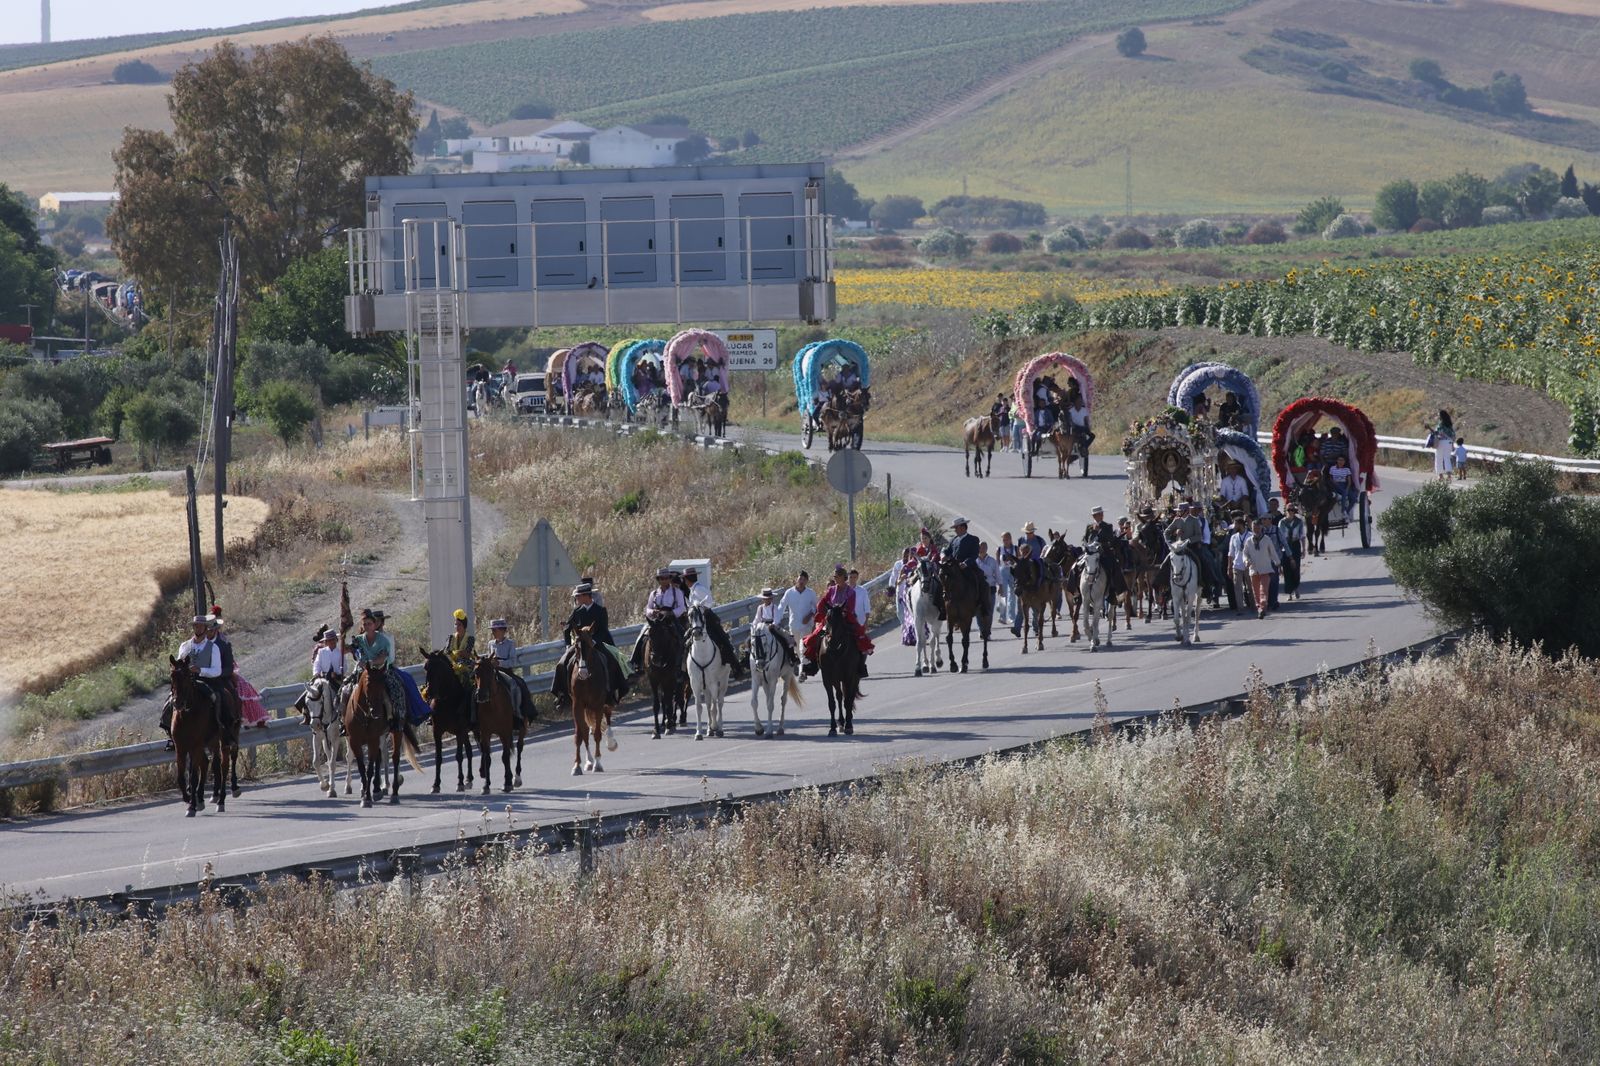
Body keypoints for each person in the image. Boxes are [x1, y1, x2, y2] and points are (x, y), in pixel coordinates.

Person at [553, 583, 628, 707]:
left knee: (612, 661)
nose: (576, 598)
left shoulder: (600, 611)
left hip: (596, 644)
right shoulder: (577, 611)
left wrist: (593, 641)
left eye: (578, 596)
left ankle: (611, 692)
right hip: (579, 646)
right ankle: (563, 695)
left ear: (586, 596)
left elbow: (603, 630)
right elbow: (567, 629)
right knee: (561, 664)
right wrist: (568, 645)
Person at [161, 614, 226, 745]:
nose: (198, 628)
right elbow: (178, 664)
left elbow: (217, 670)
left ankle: (221, 727)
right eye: (196, 626)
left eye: (201, 626)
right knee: (170, 701)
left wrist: (200, 670)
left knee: (217, 698)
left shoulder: (213, 648)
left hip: (206, 680)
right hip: (186, 681)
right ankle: (171, 733)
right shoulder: (184, 646)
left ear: (205, 628)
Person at [802, 565, 874, 674]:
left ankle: (860, 665)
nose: (834, 578)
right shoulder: (831, 590)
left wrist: (841, 612)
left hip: (846, 617)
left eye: (836, 576)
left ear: (843, 577)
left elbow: (850, 607)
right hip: (831, 617)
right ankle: (813, 663)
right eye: (834, 576)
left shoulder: (851, 592)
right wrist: (822, 611)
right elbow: (822, 601)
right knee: (817, 635)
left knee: (858, 634)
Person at [346, 608, 405, 725]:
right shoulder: (358, 640)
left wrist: (369, 663)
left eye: (369, 624)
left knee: (395, 690)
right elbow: (347, 650)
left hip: (380, 671)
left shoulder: (384, 640)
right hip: (362, 671)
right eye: (365, 624)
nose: (367, 626)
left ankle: (396, 719)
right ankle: (344, 720)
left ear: (375, 624)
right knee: (345, 690)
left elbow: (382, 658)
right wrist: (343, 635)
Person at [210, 609, 266, 727]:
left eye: (214, 627)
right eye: (209, 627)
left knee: (242, 686)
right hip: (204, 673)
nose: (211, 630)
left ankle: (240, 717)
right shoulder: (200, 640)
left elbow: (228, 663)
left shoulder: (223, 641)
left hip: (221, 671)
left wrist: (219, 672)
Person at [630, 568, 688, 672]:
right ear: (659, 580)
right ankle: (636, 663)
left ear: (669, 579)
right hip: (656, 621)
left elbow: (682, 608)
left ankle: (683, 665)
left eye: (666, 578)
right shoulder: (654, 593)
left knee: (682, 637)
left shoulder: (677, 592)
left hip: (672, 620)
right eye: (662, 578)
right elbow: (648, 608)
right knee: (642, 637)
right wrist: (652, 612)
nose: (664, 580)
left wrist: (671, 613)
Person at [685, 565, 741, 674]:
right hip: (697, 619)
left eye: (685, 579)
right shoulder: (693, 590)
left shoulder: (699, 589)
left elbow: (710, 602)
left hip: (707, 617)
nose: (685, 582)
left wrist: (701, 609)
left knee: (721, 639)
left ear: (688, 579)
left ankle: (734, 665)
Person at [1242, 518, 1282, 620]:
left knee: (1263, 590)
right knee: (1256, 591)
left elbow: (1273, 553)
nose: (1256, 530)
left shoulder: (1267, 539)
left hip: (1265, 569)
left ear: (1261, 528)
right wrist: (1246, 561)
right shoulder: (1248, 541)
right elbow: (1245, 554)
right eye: (1254, 528)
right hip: (1254, 570)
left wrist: (1278, 564)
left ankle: (1263, 607)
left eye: (1257, 528)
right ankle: (1259, 607)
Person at [752, 587, 800, 669]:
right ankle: (750, 659)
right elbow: (757, 619)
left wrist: (773, 624)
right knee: (751, 640)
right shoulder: (760, 608)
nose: (767, 600)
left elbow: (777, 619)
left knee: (787, 637)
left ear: (771, 599)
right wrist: (754, 626)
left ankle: (792, 658)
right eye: (765, 599)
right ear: (762, 599)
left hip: (772, 627)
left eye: (769, 598)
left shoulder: (774, 607)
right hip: (762, 627)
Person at [777, 570, 818, 641]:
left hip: (807, 626)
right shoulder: (789, 592)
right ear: (797, 579)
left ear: (807, 581)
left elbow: (816, 607)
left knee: (805, 647)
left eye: (804, 580)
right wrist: (776, 621)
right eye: (800, 579)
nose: (802, 581)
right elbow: (781, 607)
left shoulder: (811, 593)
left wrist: (810, 615)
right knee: (795, 646)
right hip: (794, 626)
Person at [1278, 503, 1307, 600]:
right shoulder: (1282, 522)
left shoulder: (1299, 522)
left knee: (1296, 568)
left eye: (1292, 510)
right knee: (1287, 569)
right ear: (1285, 511)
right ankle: (1289, 593)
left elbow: (1302, 536)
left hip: (1295, 545)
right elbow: (1280, 537)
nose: (1291, 512)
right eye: (1289, 510)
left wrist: (1304, 549)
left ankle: (1296, 588)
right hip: (1285, 546)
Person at [892, 548, 918, 646]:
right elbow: (897, 581)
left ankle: (914, 636)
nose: (907, 557)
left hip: (912, 595)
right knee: (901, 616)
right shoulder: (902, 567)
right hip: (901, 594)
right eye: (906, 555)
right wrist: (901, 579)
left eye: (909, 555)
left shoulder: (915, 565)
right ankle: (906, 636)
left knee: (912, 617)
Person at [1226, 516, 1252, 615]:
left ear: (1241, 525)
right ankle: (1240, 608)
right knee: (1237, 588)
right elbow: (1231, 553)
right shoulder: (1233, 537)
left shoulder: (1250, 535)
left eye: (1235, 524)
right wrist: (1229, 567)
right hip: (1237, 565)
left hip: (1248, 565)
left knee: (1250, 587)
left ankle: (1253, 605)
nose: (1234, 526)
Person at [975, 541, 1000, 639]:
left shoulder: (992, 561)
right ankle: (982, 630)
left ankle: (987, 632)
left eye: (984, 547)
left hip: (990, 588)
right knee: (978, 611)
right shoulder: (974, 561)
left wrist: (1000, 586)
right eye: (980, 547)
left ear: (986, 549)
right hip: (978, 589)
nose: (982, 549)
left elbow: (997, 574)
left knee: (989, 611)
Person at [447, 608, 475, 688]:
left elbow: (466, 654)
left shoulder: (470, 638)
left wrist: (454, 653)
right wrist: (458, 653)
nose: (457, 627)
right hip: (452, 663)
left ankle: (468, 692)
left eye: (459, 625)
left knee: (465, 675)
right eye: (455, 624)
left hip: (465, 664)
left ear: (464, 626)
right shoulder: (451, 637)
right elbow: (447, 651)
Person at [1428, 409, 1456, 481]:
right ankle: (1449, 476)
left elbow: (1437, 433)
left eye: (1438, 415)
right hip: (1449, 442)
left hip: (1441, 442)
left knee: (1439, 459)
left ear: (1441, 416)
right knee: (1447, 459)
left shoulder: (1440, 424)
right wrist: (1452, 444)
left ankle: (1440, 476)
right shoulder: (1449, 425)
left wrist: (1429, 428)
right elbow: (1453, 435)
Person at [996, 532, 1017, 625]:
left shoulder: (1015, 548)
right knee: (1003, 594)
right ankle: (1002, 617)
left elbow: (1019, 560)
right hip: (1002, 572)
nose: (1005, 541)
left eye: (1007, 539)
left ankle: (1012, 616)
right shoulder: (999, 549)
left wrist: (1013, 563)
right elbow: (997, 563)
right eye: (1004, 539)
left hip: (1013, 572)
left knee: (1012, 594)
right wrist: (996, 577)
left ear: (1010, 539)